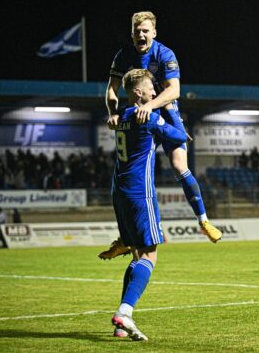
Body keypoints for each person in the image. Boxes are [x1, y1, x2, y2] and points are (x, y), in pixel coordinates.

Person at [101, 11, 221, 260]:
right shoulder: (123, 56)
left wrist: (150, 106)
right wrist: (112, 113)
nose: (141, 35)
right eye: (137, 31)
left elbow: (174, 91)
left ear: (154, 33)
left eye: (145, 30)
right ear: (132, 34)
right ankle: (126, 237)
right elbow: (111, 90)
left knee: (179, 165)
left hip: (162, 111)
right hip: (138, 116)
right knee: (131, 170)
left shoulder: (165, 54)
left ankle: (204, 220)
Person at [109, 69, 189, 341]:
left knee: (136, 254)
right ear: (137, 92)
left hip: (118, 191)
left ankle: (121, 325)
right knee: (150, 254)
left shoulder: (121, 118)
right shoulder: (148, 117)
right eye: (150, 89)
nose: (154, 93)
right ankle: (125, 311)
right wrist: (167, 106)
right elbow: (179, 136)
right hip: (139, 193)